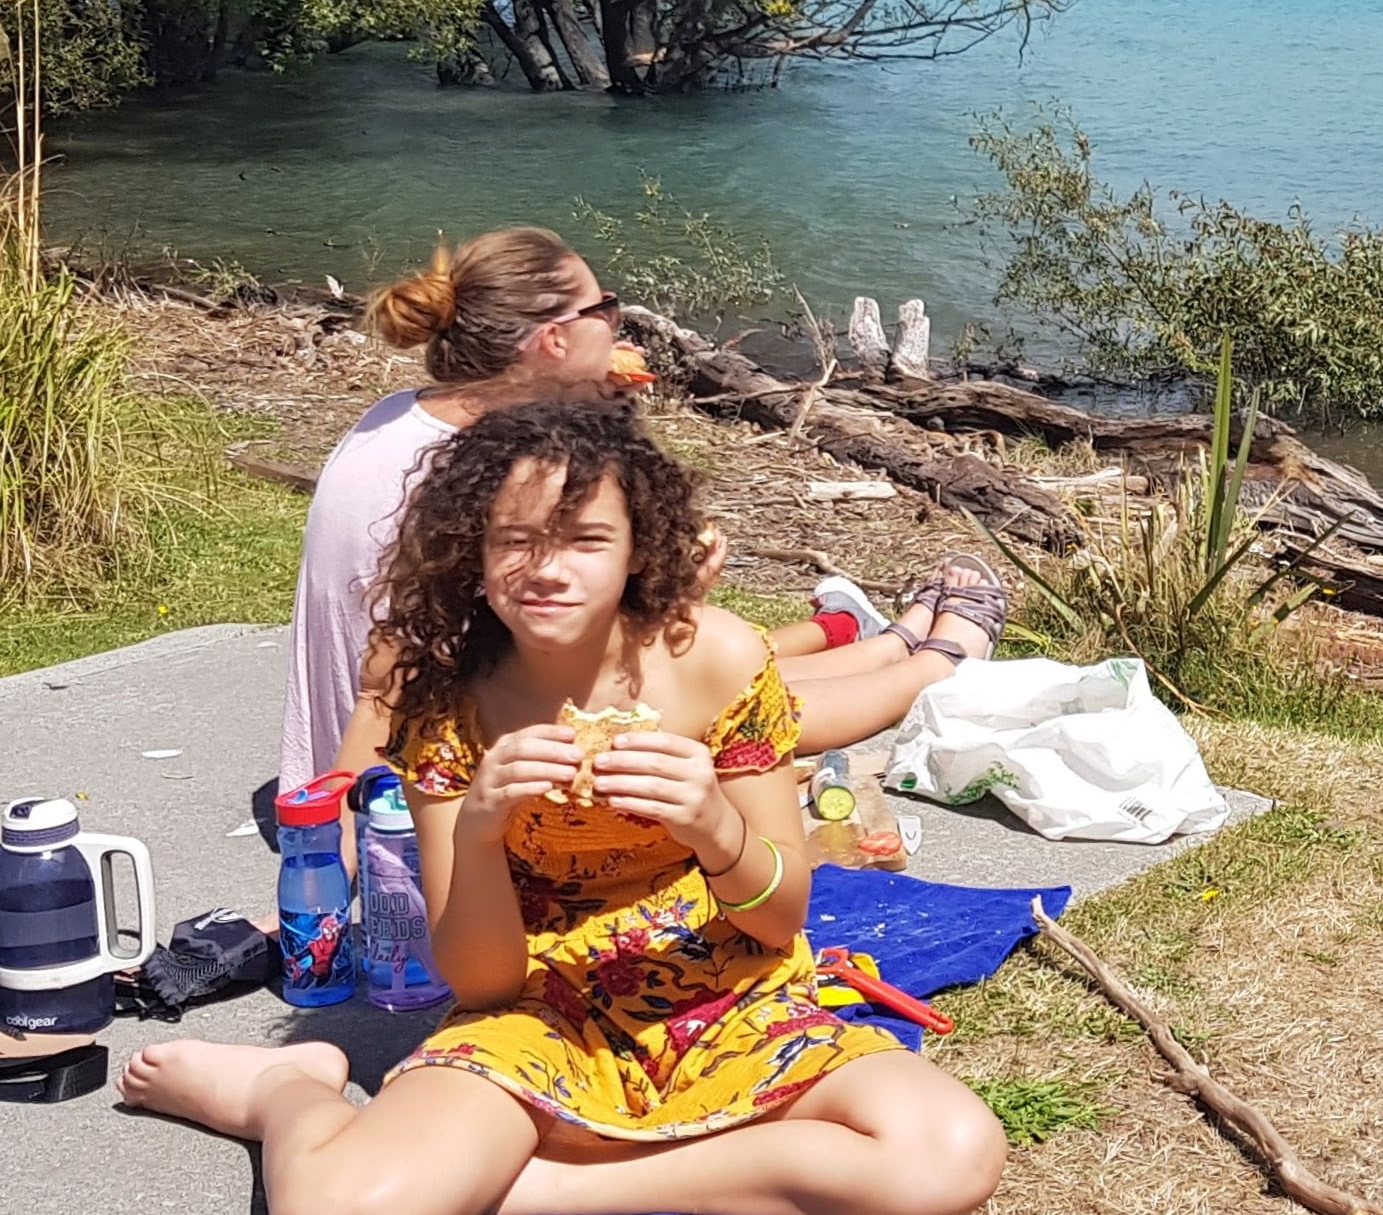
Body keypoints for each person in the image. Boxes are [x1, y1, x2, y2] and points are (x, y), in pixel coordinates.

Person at [123, 397, 1007, 1215]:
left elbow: (780, 921)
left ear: (637, 553)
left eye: (586, 540)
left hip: (730, 994)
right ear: (470, 553)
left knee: (949, 1157)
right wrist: (476, 828)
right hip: (541, 1014)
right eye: (515, 541)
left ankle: (543, 1187)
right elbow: (480, 979)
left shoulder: (722, 660)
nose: (548, 570)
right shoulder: (448, 702)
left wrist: (713, 826)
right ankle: (285, 1091)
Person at [285, 228, 991, 793]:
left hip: (357, 741)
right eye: (606, 312)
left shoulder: (400, 418)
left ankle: (866, 638)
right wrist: (681, 588)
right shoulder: (485, 473)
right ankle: (929, 663)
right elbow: (573, 643)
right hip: (428, 764)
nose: (618, 331)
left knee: (696, 653)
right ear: (554, 340)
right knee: (720, 685)